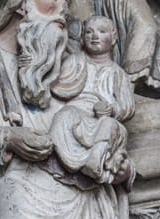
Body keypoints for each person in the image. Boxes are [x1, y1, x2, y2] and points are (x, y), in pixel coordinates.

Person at [0, 0, 130, 218]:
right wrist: (8, 138)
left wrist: (120, 169)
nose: (63, 10)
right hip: (21, 197)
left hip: (86, 199)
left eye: (66, 1)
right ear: (21, 3)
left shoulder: (77, 62)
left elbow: (106, 131)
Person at [49, 16, 135, 190]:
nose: (94, 36)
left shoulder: (118, 73)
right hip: (75, 111)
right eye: (89, 32)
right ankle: (73, 160)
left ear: (114, 37)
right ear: (82, 38)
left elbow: (126, 107)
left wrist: (111, 110)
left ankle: (96, 160)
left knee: (112, 127)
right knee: (62, 118)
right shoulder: (74, 61)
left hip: (101, 119)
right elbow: (57, 88)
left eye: (101, 31)